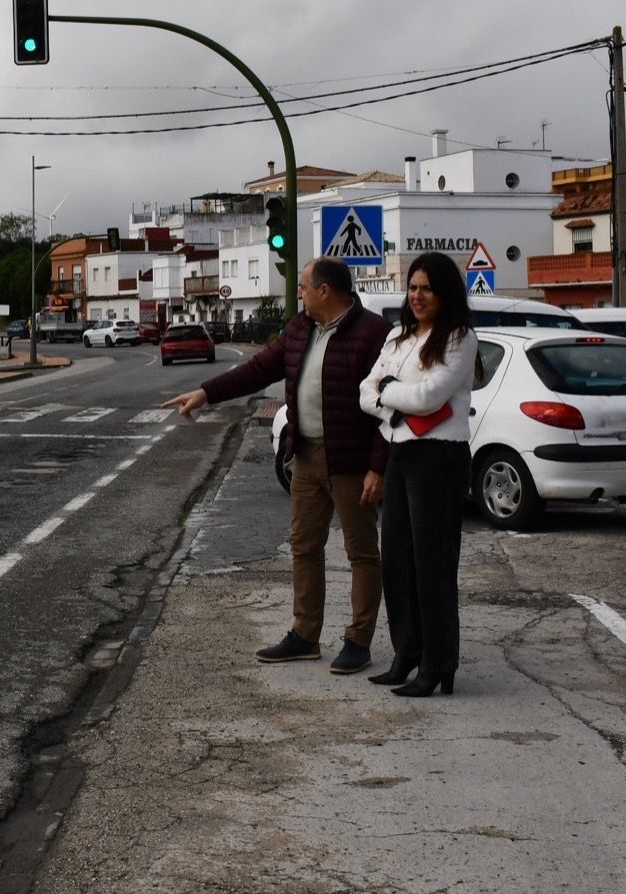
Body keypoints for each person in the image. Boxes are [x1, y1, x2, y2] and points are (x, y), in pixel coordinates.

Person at [164, 257, 390, 673]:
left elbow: (386, 409)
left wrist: (377, 466)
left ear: (325, 290)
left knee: (362, 552)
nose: (298, 293)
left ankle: (358, 641)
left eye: (303, 286)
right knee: (304, 546)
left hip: (351, 460)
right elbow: (257, 370)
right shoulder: (300, 328)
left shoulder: (374, 333)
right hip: (304, 456)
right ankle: (305, 635)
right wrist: (205, 393)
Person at [359, 251, 476, 697]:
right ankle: (406, 653)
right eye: (413, 287)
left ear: (445, 292)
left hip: (440, 458)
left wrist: (390, 392)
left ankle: (438, 663)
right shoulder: (397, 337)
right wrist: (392, 394)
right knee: (397, 565)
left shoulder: (459, 338)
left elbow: (431, 397)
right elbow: (364, 393)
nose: (418, 295)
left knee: (433, 566)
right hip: (400, 454)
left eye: (427, 287)